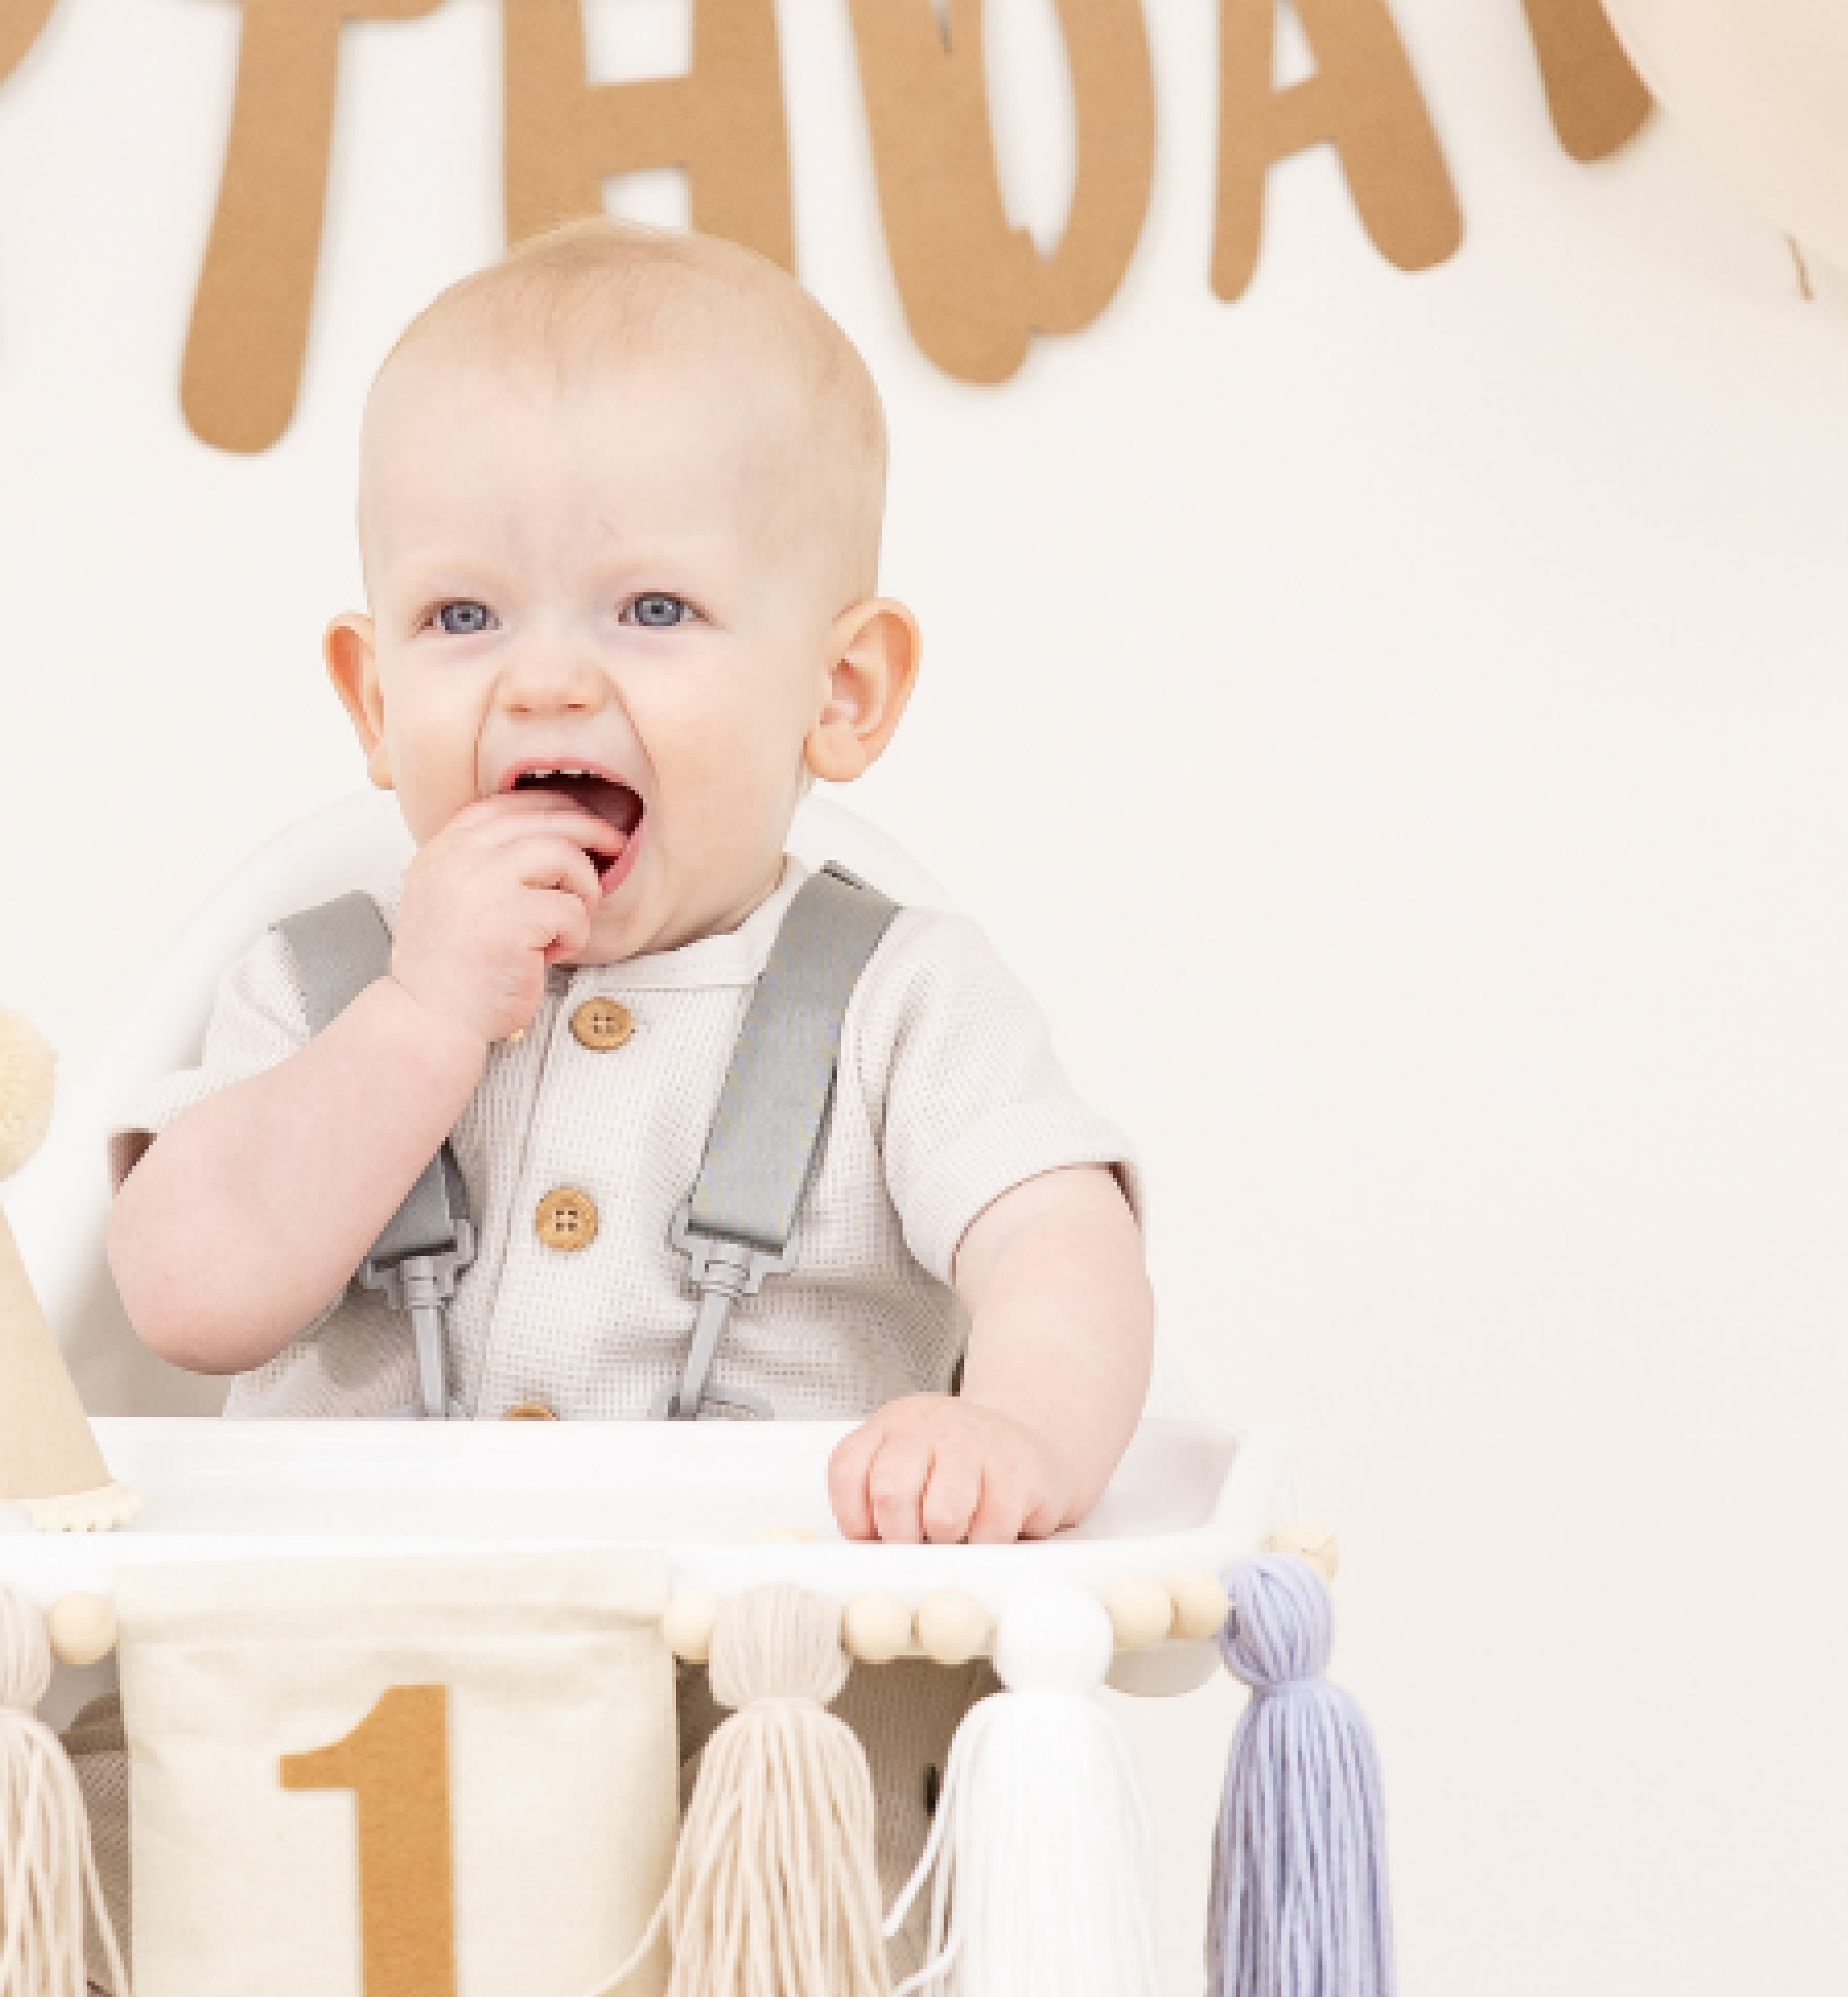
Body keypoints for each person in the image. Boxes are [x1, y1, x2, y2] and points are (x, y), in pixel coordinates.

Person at [103, 219, 1150, 1546]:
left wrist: (1016, 1431)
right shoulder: (311, 987)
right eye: (463, 618)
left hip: (767, 1711)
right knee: (102, 1751)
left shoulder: (904, 1002)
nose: (543, 681)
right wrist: (417, 1020)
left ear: (841, 691)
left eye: (651, 611)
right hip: (356, 1717)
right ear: (372, 698)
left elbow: (1064, 1252)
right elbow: (183, 1294)